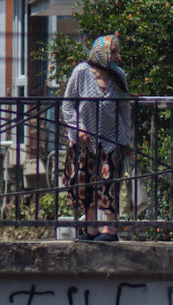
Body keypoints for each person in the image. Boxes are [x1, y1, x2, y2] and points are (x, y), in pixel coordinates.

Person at [61, 34, 134, 241]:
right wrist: (79, 128)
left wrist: (125, 139)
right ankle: (91, 228)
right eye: (112, 52)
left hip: (111, 138)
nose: (116, 56)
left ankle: (109, 229)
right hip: (85, 140)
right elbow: (68, 104)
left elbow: (124, 109)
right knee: (85, 182)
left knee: (109, 181)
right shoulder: (82, 72)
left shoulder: (118, 75)